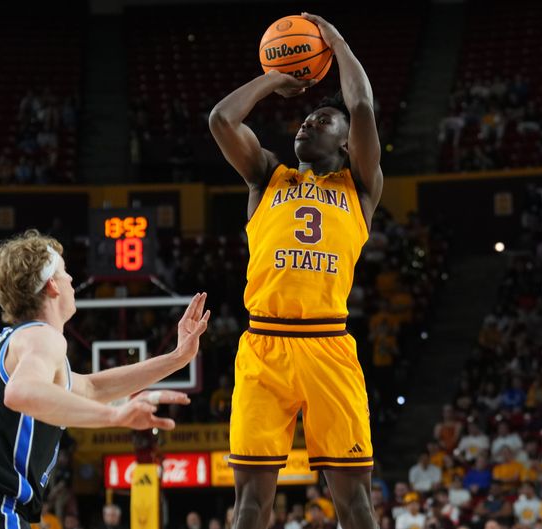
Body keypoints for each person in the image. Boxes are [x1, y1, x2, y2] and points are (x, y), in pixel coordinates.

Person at [208, 12, 382, 529]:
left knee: (355, 504)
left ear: (348, 144)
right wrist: (273, 79)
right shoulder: (266, 176)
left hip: (329, 346)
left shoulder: (360, 189)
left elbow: (362, 105)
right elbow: (221, 120)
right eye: (306, 121)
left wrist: (337, 43)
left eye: (323, 121)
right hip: (264, 346)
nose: (308, 123)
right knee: (252, 504)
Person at [0, 230, 210, 528]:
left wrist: (176, 359)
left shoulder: (2, 345)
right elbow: (20, 393)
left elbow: (92, 387)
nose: (72, 280)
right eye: (65, 272)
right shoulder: (43, 336)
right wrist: (116, 415)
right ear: (52, 285)